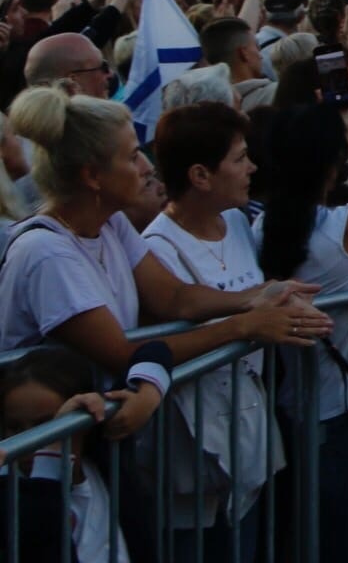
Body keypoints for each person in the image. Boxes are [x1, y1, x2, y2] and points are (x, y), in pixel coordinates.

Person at [0, 89, 329, 377]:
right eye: (132, 157)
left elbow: (175, 298)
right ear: (92, 176)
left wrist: (258, 295)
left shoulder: (110, 223)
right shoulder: (47, 252)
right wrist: (244, 325)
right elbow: (122, 355)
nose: (147, 167)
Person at [255, 101, 348, 563]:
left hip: (296, 409)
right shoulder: (342, 230)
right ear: (331, 162)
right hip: (345, 415)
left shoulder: (261, 229)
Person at [141, 102, 282, 563]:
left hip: (248, 436)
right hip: (191, 454)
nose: (252, 168)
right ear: (200, 175)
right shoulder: (156, 248)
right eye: (240, 158)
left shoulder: (239, 222)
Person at [0, 343, 172, 563]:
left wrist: (146, 396)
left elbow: (155, 350)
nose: (29, 442)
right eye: (15, 427)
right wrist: (52, 452)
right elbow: (43, 529)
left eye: (45, 425)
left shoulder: (106, 450)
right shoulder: (9, 490)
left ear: (83, 422)